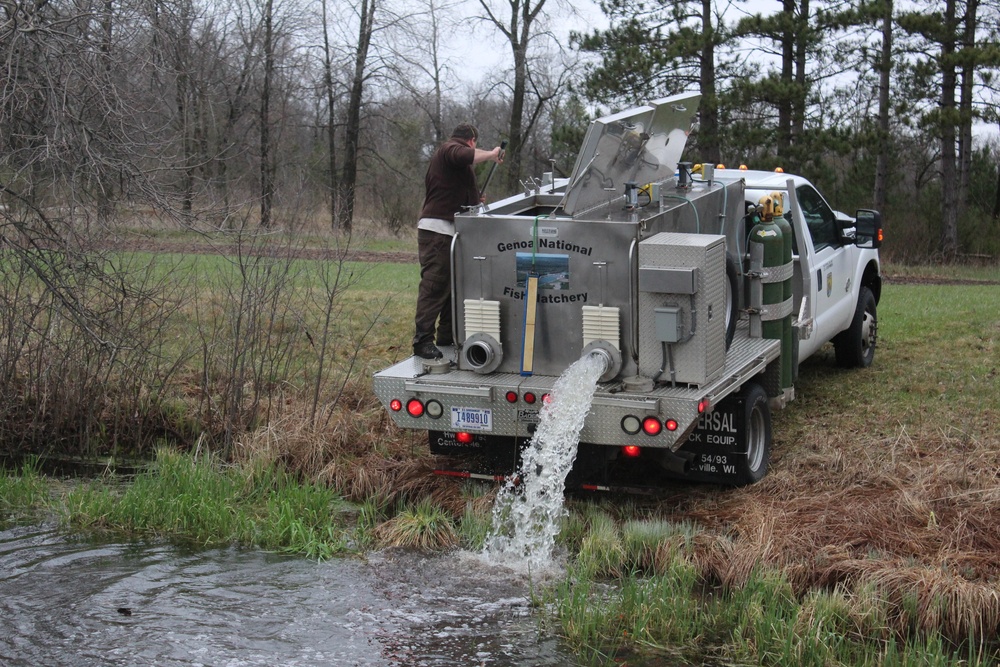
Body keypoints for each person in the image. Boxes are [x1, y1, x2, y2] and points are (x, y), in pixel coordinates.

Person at [413, 124, 503, 360]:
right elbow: (465, 156)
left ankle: (446, 337)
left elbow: (456, 192)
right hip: (437, 232)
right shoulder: (449, 150)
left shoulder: (451, 163)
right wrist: (492, 154)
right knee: (434, 287)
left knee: (452, 288)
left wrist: (474, 198)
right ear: (471, 140)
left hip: (450, 234)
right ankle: (422, 341)